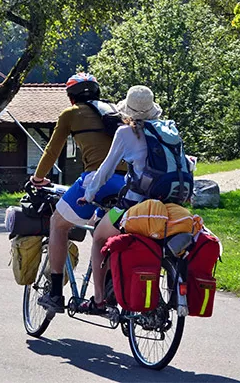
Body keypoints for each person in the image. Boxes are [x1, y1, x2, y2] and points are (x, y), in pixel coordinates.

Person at [29, 73, 127, 313]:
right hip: (127, 182)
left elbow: (52, 151)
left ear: (71, 97)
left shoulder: (70, 115)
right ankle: (107, 288)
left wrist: (38, 178)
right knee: (100, 225)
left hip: (97, 179)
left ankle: (54, 294)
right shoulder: (115, 112)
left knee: (58, 223)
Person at [74, 85, 163, 315]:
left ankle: (99, 300)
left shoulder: (125, 133)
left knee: (98, 237)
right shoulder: (165, 130)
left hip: (133, 206)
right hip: (166, 204)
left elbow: (105, 169)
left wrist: (89, 194)